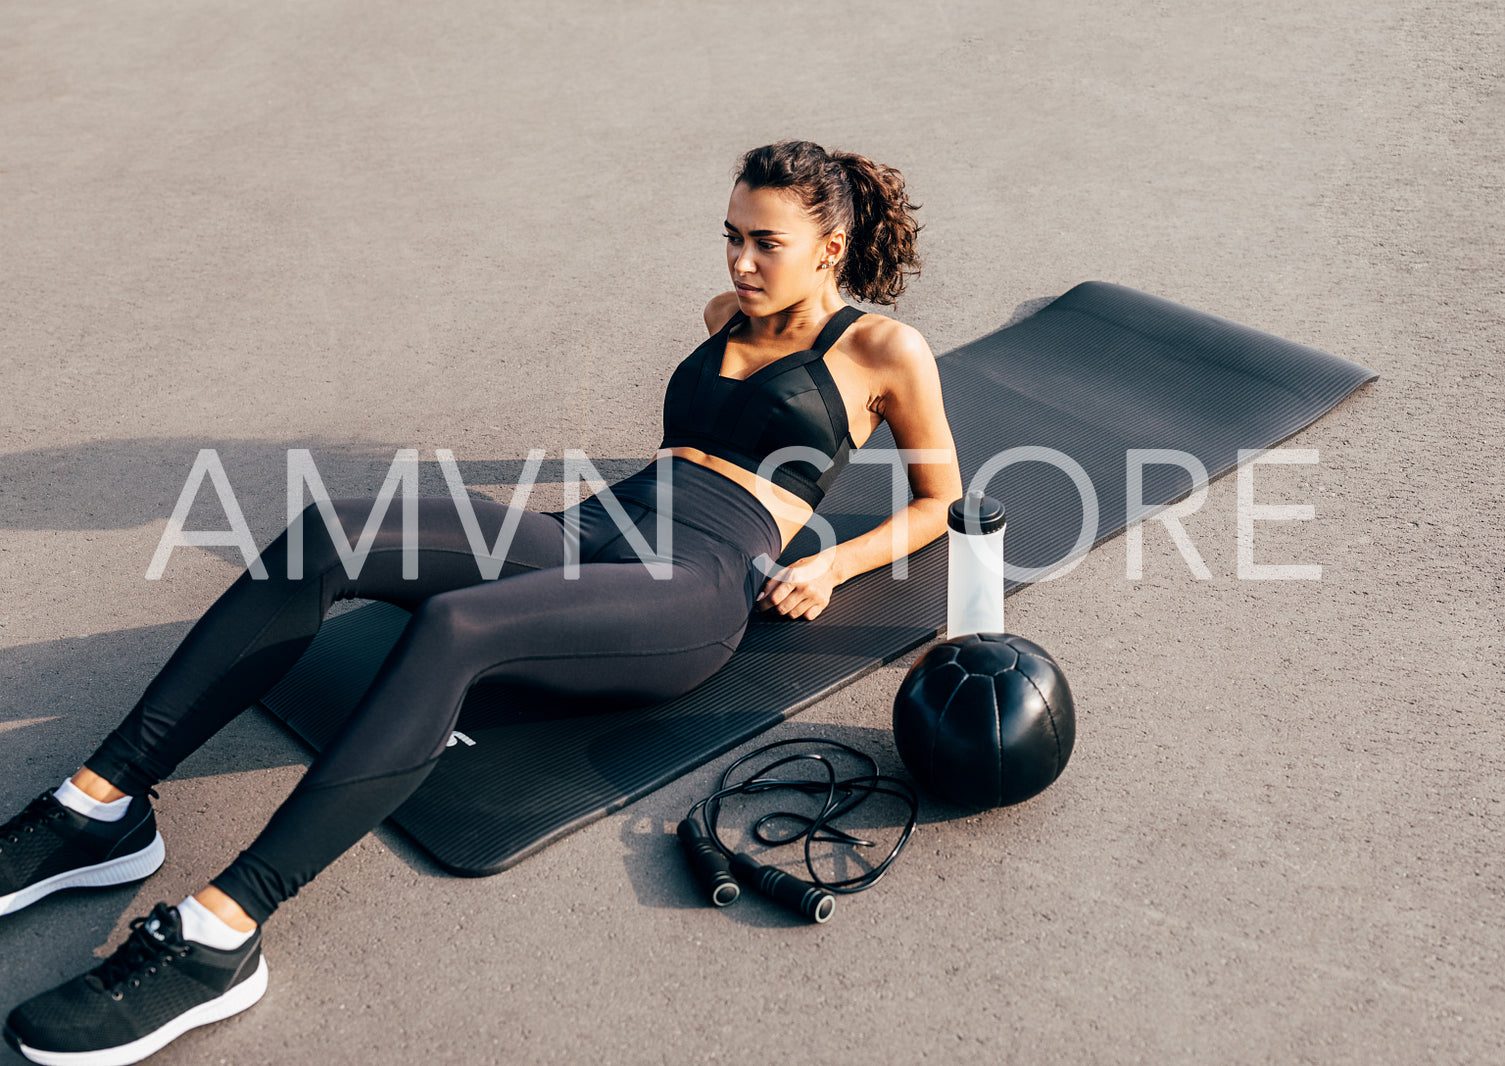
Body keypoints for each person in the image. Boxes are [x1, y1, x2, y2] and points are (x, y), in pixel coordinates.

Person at [0, 139, 963, 1065]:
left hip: (697, 584)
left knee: (456, 626)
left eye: (765, 243)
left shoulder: (883, 349)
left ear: (828, 249)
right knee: (335, 528)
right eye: (730, 235)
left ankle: (223, 932)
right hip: (601, 524)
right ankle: (100, 807)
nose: (740, 262)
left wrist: (832, 566)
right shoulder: (724, 313)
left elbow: (939, 501)